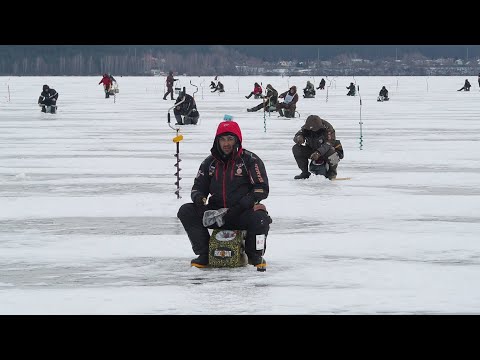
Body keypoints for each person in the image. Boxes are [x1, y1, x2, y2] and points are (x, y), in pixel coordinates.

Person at [177, 119, 272, 269]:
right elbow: (198, 187)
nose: (226, 143)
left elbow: (261, 188)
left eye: (230, 139)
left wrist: (244, 204)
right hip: (216, 214)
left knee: (261, 218)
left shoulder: (250, 160)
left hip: (241, 213)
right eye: (222, 139)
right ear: (217, 141)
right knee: (186, 210)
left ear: (237, 140)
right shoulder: (209, 163)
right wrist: (199, 198)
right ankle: (204, 254)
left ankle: (255, 255)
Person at [292, 115, 343, 180]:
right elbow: (298, 135)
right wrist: (299, 138)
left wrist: (318, 153)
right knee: (296, 148)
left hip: (326, 150)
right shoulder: (306, 127)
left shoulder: (328, 128)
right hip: (311, 149)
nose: (313, 131)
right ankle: (305, 172)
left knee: (333, 154)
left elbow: (329, 143)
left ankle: (332, 174)